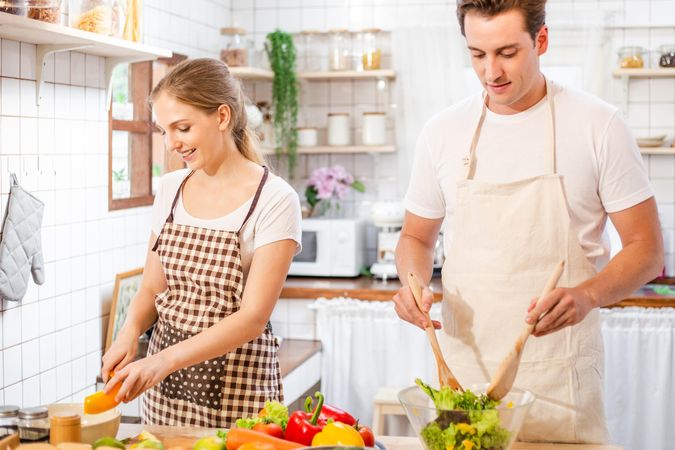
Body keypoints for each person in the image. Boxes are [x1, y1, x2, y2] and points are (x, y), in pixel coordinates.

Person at [393, 0, 663, 443]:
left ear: (541, 40)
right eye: (477, 54)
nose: (490, 72)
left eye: (507, 52)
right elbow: (416, 237)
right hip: (463, 382)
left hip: (561, 385)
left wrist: (588, 295)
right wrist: (412, 282)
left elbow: (646, 248)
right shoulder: (442, 132)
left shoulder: (599, 125)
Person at [101, 58, 302, 427]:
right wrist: (128, 334)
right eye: (164, 130)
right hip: (165, 392)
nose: (171, 143)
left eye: (182, 128)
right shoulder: (171, 188)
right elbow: (151, 287)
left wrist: (163, 360)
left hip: (239, 392)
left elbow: (253, 318)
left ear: (222, 117)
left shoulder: (274, 199)